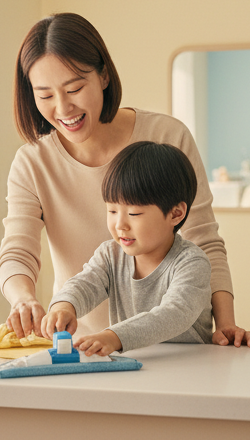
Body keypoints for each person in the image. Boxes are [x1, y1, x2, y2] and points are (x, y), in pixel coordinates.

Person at [1, 12, 250, 347]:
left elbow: (204, 241)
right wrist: (25, 300)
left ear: (104, 76)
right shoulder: (32, 163)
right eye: (45, 95)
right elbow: (18, 252)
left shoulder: (166, 136)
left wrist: (225, 324)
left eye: (75, 88)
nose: (63, 108)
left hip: (173, 349)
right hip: (85, 348)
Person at [41, 141, 213, 354]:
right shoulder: (110, 255)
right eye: (112, 211)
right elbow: (84, 284)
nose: (120, 225)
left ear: (175, 214)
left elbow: (174, 314)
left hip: (194, 370)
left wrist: (113, 337)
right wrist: (64, 305)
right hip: (136, 367)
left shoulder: (191, 263)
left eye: (134, 214)